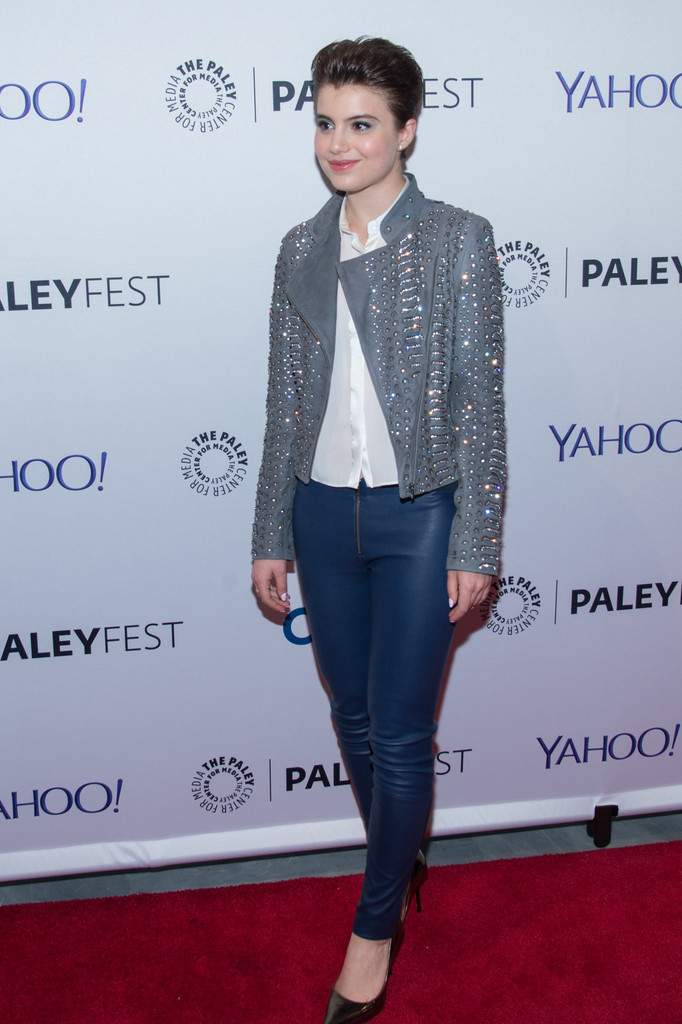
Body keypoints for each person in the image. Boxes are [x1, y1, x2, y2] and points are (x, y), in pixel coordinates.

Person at [251, 36, 505, 1024]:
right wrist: (270, 528)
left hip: (418, 514)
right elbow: (282, 408)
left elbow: (478, 403)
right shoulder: (299, 250)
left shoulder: (456, 239)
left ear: (406, 129)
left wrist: (476, 541)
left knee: (398, 732)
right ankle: (399, 859)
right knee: (349, 720)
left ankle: (371, 931)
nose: (338, 143)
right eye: (324, 122)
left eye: (361, 124)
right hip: (320, 510)